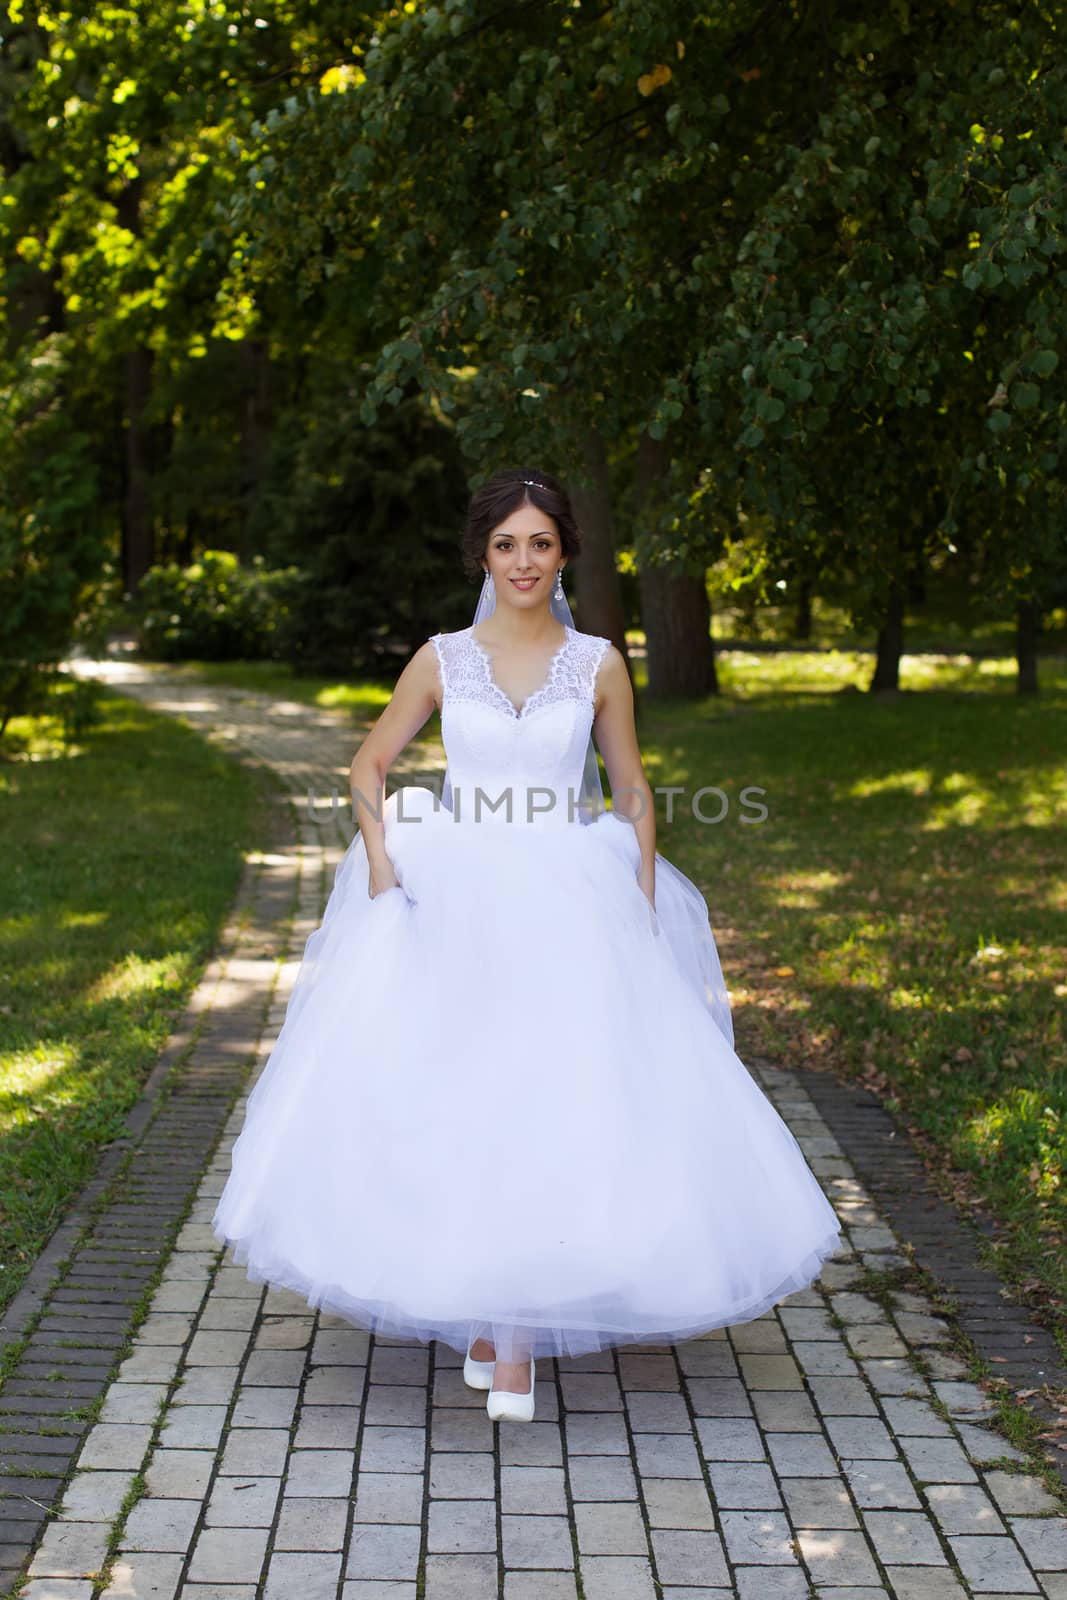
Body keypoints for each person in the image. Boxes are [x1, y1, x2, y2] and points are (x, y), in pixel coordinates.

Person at [212, 466, 843, 1425]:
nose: (522, 561)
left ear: (563, 555)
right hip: (457, 888)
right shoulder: (442, 657)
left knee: (548, 1093)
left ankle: (508, 1343)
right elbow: (368, 764)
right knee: (465, 1093)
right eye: (505, 544)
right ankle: (489, 1316)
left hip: (566, 889)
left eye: (539, 543)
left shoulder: (596, 664)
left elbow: (629, 787)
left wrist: (636, 893)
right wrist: (382, 860)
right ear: (482, 555)